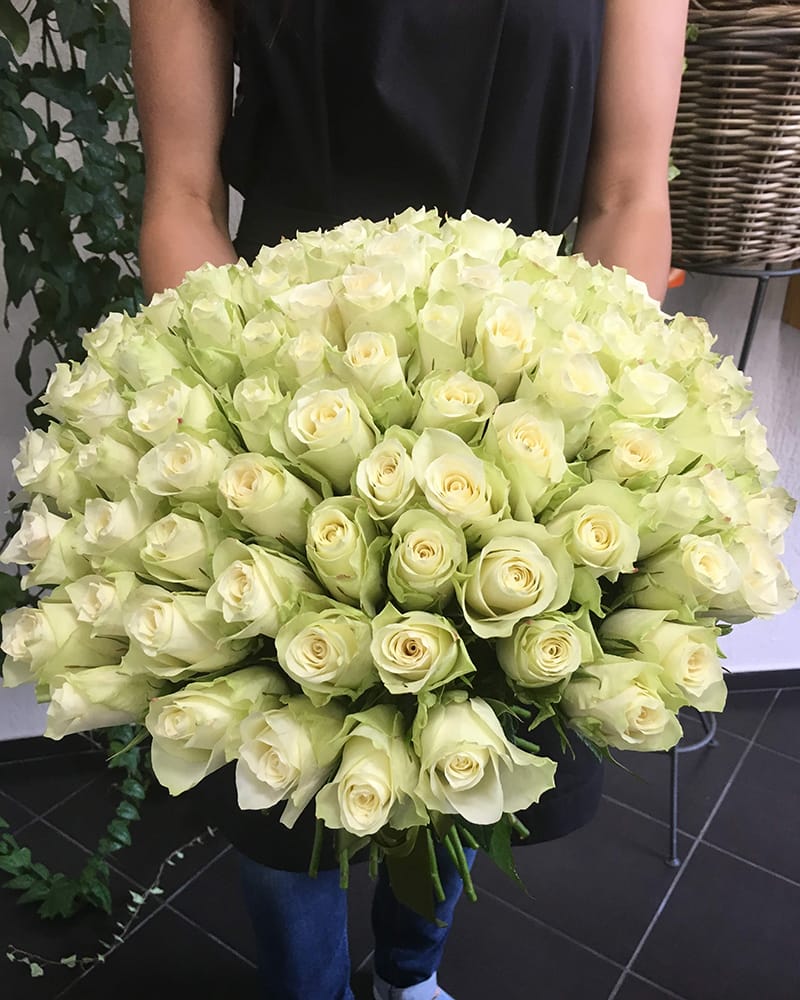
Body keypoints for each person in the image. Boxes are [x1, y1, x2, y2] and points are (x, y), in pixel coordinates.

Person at [129, 2, 689, 998]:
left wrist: (591, 417)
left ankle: (409, 973)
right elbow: (182, 192)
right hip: (280, 387)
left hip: (522, 395)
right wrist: (234, 417)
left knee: (469, 726)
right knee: (279, 764)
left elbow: (626, 192)